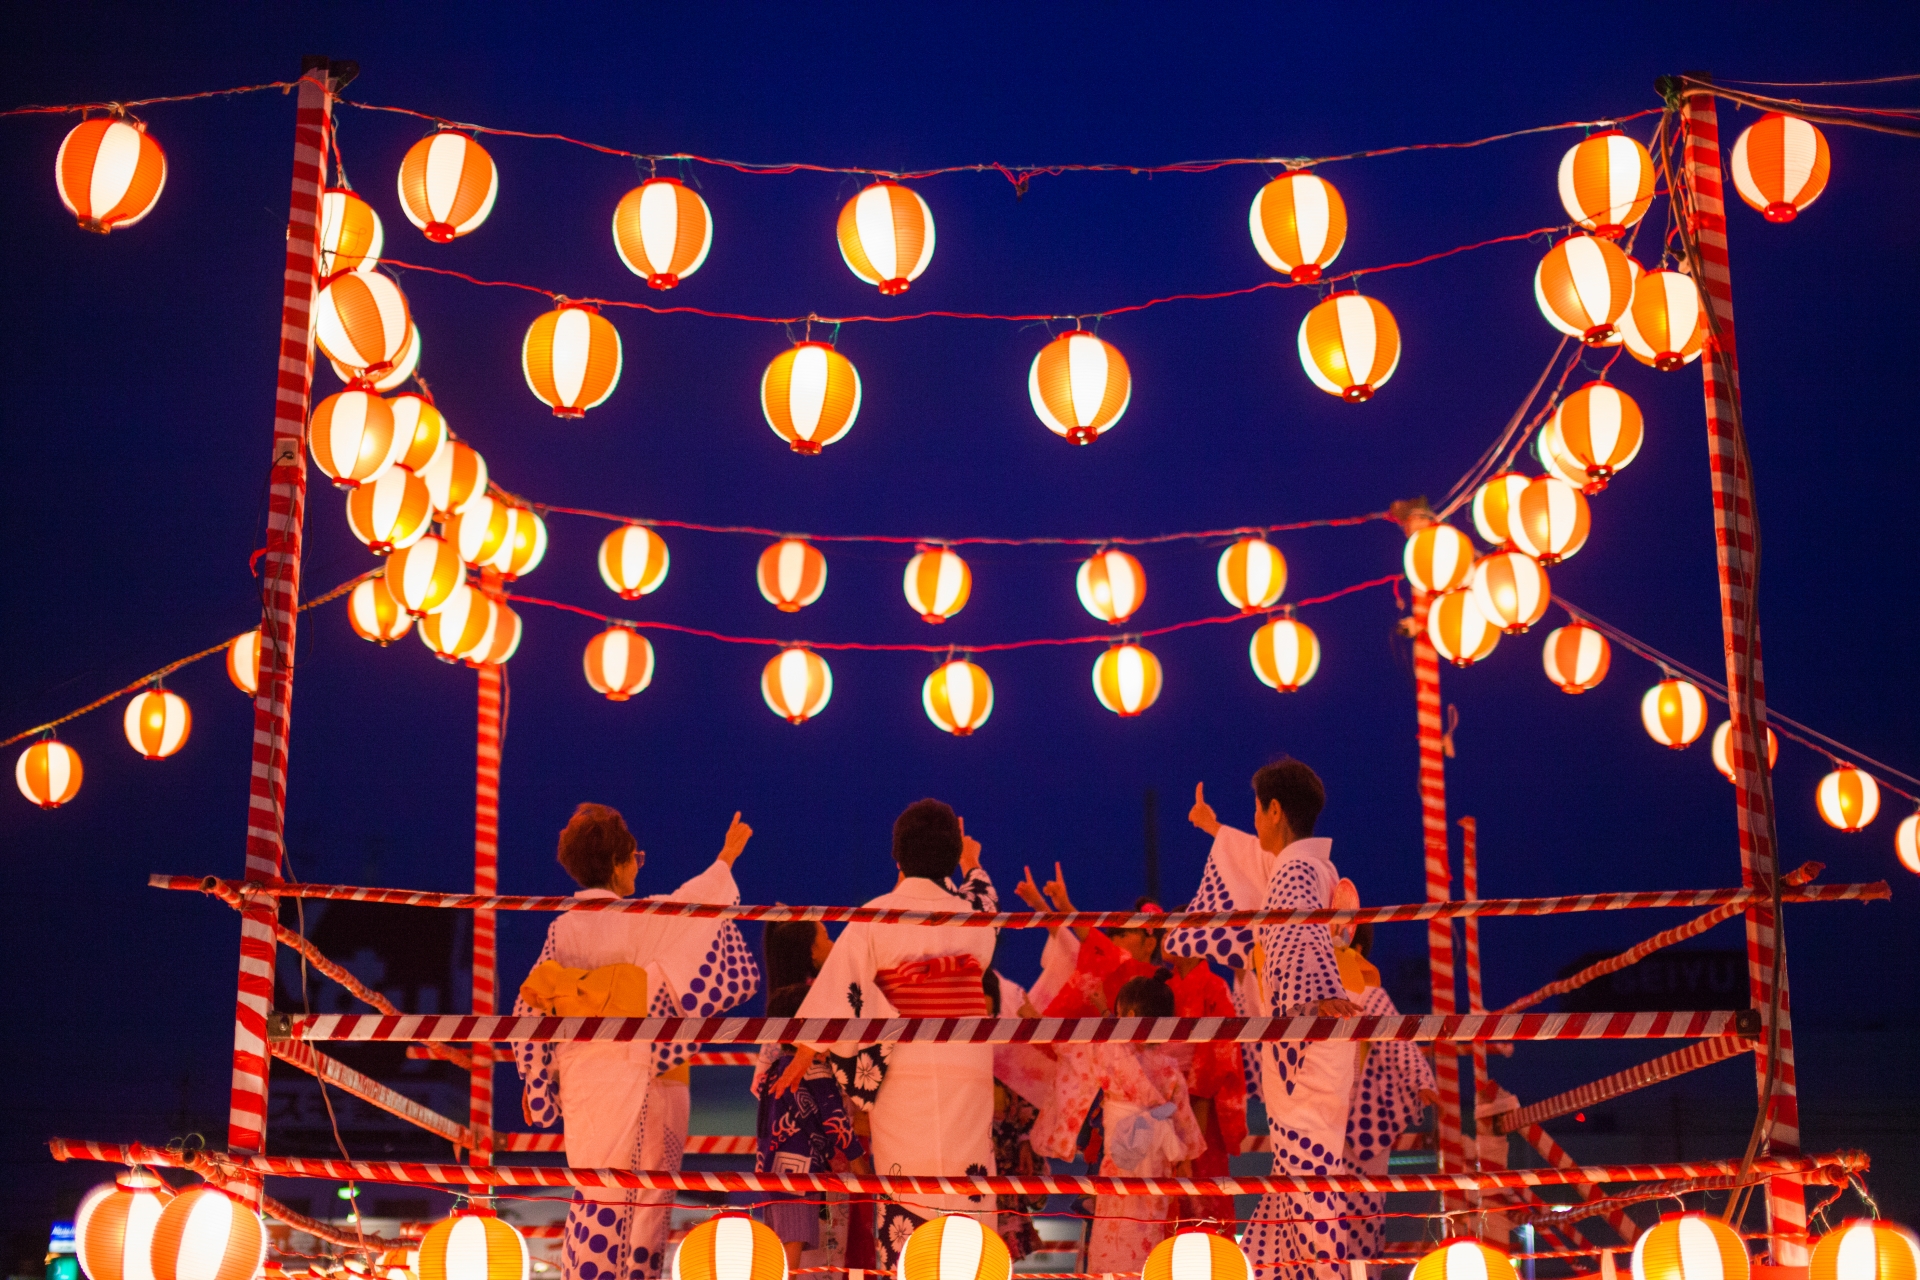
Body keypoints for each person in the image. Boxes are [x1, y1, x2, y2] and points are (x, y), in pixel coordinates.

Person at [513, 804, 761, 1280]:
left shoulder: (561, 925)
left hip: (580, 1069)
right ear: (617, 863)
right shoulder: (637, 918)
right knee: (641, 1199)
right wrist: (726, 859)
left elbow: (531, 1005)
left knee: (594, 1192)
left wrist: (536, 1077)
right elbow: (697, 906)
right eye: (635, 858)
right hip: (633, 1065)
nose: (637, 867)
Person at [776, 800, 1000, 1269]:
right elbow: (986, 899)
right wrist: (973, 862)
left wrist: (806, 1048)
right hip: (966, 1062)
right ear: (951, 857)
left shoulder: (877, 916)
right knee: (968, 1178)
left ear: (897, 858)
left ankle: (910, 1266)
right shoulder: (974, 917)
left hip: (906, 1067)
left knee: (907, 1181)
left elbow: (841, 989)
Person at [1165, 760, 1360, 1280]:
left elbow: (1297, 935)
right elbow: (1258, 865)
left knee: (1308, 1179)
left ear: (1275, 810)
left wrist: (1312, 1003)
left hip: (1304, 1034)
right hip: (1305, 1030)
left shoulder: (1297, 872)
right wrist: (1214, 829)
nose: (1253, 820)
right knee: (1299, 1179)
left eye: (1256, 809)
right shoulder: (1305, 865)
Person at [1032, 974, 1207, 1272]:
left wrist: (1032, 1018)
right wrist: (1185, 1154)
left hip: (1119, 1155)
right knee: (1151, 1231)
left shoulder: (1111, 1052)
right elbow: (1185, 1129)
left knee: (1114, 1232)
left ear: (1129, 1017)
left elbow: (1082, 1048)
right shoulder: (1170, 1069)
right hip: (1156, 1161)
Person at [754, 920, 870, 1272]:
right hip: (815, 1163)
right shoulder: (813, 1024)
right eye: (825, 935)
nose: (832, 941)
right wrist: (859, 1162)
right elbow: (834, 1115)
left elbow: (761, 1103)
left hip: (774, 1163)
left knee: (788, 1242)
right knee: (822, 1243)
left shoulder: (777, 1059)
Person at [1336, 920, 1436, 1277]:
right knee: (1329, 1205)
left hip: (1361, 1112)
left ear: (1355, 945)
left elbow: (1396, 1040)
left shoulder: (1369, 992)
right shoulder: (1319, 993)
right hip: (1327, 1109)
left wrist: (1421, 1078)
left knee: (1364, 1206)